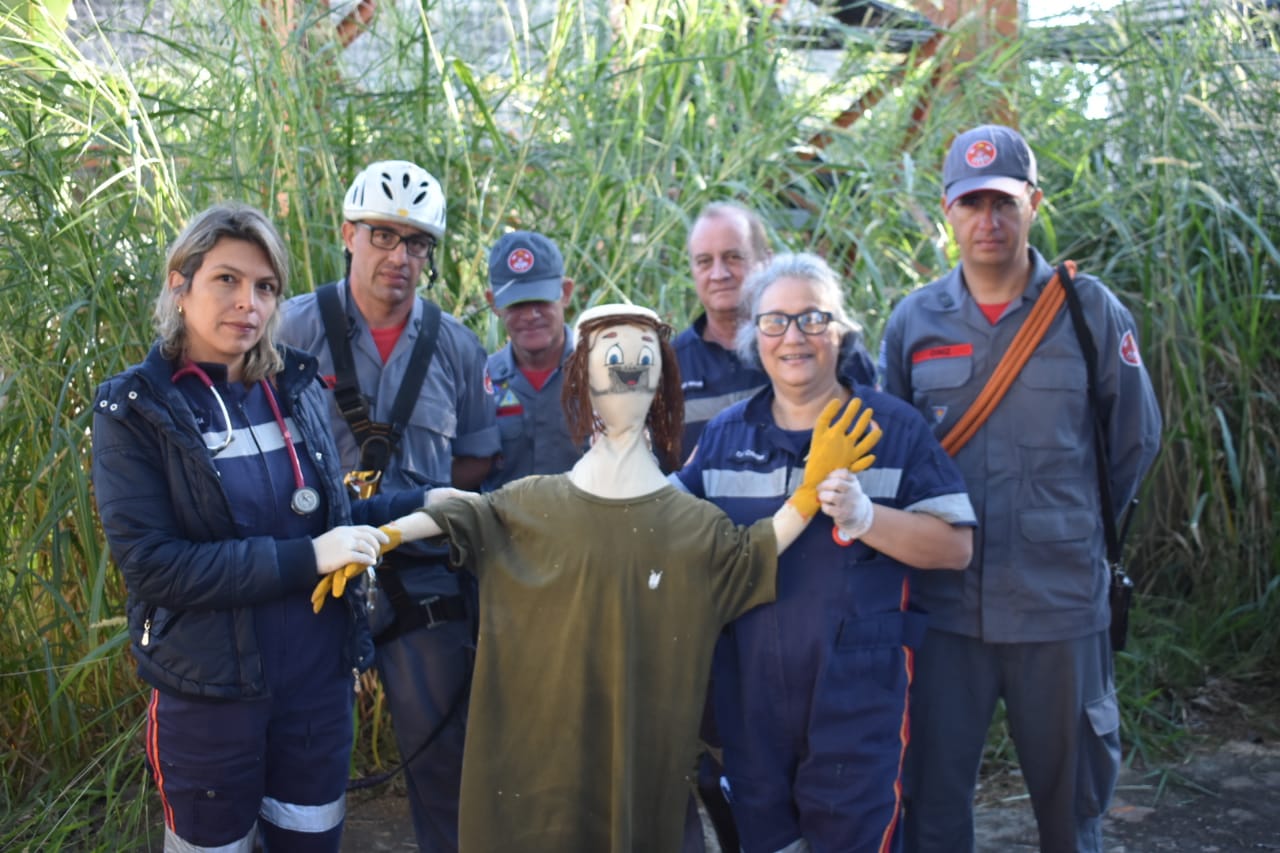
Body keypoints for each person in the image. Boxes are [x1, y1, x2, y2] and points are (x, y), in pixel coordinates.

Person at [374, 303, 881, 853]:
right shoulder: (528, 508)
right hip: (536, 800)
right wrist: (383, 536)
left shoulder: (692, 528)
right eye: (613, 353)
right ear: (582, 373)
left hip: (646, 795)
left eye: (644, 356)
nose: (629, 368)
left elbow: (751, 553)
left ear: (663, 378)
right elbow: (460, 513)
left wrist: (807, 495)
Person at [90, 202, 423, 852]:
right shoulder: (136, 408)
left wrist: (434, 506)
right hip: (209, 700)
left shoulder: (294, 388)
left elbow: (337, 520)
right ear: (179, 283)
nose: (249, 302)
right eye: (227, 280)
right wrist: (309, 556)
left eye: (265, 287)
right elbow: (156, 565)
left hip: (315, 695)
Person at [879, 124, 1163, 853]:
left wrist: (1071, 531)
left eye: (1004, 202)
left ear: (1033, 203)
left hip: (1061, 608)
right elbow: (895, 458)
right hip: (945, 615)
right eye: (971, 204)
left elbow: (1133, 440)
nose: (989, 221)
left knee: (1072, 815)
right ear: (947, 210)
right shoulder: (914, 322)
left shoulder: (1087, 309)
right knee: (931, 811)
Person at [675, 252, 977, 853]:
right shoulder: (725, 437)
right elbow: (670, 534)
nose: (794, 337)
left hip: (859, 695)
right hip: (750, 690)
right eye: (775, 321)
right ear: (752, 336)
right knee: (767, 836)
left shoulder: (893, 428)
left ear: (840, 331)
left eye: (813, 319)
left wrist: (868, 517)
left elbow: (955, 546)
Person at [278, 160, 499, 853]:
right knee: (292, 763)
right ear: (348, 234)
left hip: (421, 575)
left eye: (416, 242)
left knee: (447, 765)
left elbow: (473, 463)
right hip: (309, 569)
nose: (398, 256)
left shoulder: (459, 348)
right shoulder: (286, 331)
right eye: (382, 235)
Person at [677, 201, 876, 457]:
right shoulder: (670, 365)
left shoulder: (827, 347)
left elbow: (879, 433)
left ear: (766, 260)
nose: (719, 274)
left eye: (733, 257)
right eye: (704, 261)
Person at [481, 230, 583, 490]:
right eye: (516, 304)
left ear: (566, 292)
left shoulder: (599, 374)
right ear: (493, 303)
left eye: (540, 300)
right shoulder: (481, 382)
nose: (529, 315)